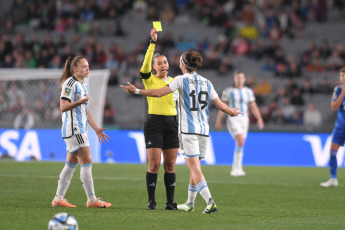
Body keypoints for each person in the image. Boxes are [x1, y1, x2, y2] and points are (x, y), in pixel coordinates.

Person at [120, 51, 242, 213]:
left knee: (194, 168)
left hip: (188, 130)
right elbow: (220, 105)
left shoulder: (180, 80)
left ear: (184, 64)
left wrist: (136, 91)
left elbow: (158, 93)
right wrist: (231, 112)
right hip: (204, 131)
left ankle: (210, 201)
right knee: (195, 167)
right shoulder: (206, 82)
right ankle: (189, 203)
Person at [51, 56, 111, 208]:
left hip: (77, 129)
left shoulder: (82, 85)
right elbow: (63, 107)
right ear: (75, 69)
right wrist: (78, 102)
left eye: (88, 65)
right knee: (87, 161)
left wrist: (96, 128)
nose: (87, 68)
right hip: (74, 129)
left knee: (71, 163)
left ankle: (58, 199)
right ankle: (92, 200)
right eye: (84, 66)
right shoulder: (69, 83)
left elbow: (85, 109)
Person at [139, 28, 179, 210]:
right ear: (154, 67)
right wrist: (152, 44)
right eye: (159, 63)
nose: (163, 65)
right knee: (154, 164)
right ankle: (151, 201)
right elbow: (144, 66)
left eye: (165, 62)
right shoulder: (150, 80)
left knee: (170, 165)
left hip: (172, 124)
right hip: (154, 124)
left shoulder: (175, 82)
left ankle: (170, 203)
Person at [215, 72, 264, 177]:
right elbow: (223, 107)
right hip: (233, 119)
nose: (240, 80)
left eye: (241, 78)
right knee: (240, 140)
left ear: (244, 79)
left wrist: (259, 119)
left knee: (241, 143)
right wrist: (218, 120)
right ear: (234, 79)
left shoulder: (248, 91)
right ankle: (235, 169)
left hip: (245, 119)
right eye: (238, 78)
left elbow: (253, 106)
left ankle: (238, 168)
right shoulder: (228, 91)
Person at [320, 67, 345, 187]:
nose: (342, 78)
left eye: (344, 75)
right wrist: (343, 93)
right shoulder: (338, 89)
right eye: (341, 76)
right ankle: (333, 178)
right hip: (340, 126)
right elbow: (334, 107)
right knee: (332, 152)